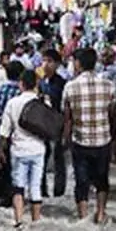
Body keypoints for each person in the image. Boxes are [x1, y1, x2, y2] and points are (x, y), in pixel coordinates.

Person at [63, 47, 116, 223]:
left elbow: (67, 118)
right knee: (102, 179)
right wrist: (115, 140)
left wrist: (66, 140)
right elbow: (113, 115)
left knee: (81, 181)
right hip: (103, 140)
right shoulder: (109, 86)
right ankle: (101, 213)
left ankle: (83, 216)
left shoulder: (70, 87)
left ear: (78, 64)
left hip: (80, 141)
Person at [0, 67, 46, 227]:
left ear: (21, 84)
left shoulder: (13, 103)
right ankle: (36, 221)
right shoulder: (44, 102)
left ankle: (19, 222)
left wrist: (0, 150)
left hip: (19, 150)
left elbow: (5, 130)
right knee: (35, 186)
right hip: (38, 149)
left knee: (18, 186)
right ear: (36, 84)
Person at [0, 61, 23, 209]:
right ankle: (16, 199)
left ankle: (1, 197)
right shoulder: (21, 93)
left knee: (0, 170)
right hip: (17, 137)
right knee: (15, 171)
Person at [39, 49, 68, 199]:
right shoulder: (40, 82)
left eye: (49, 61)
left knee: (58, 158)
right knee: (42, 157)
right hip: (42, 125)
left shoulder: (62, 84)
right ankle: (41, 189)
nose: (46, 64)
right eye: (44, 60)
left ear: (57, 64)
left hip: (58, 125)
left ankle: (59, 191)